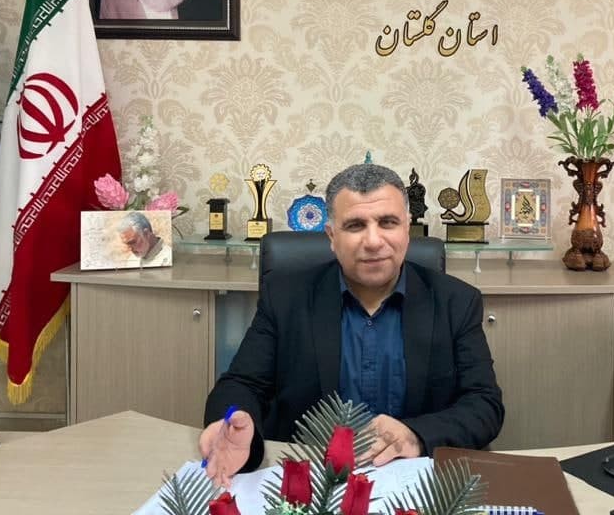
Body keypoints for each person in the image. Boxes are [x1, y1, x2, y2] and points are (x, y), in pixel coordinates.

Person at [199, 163, 504, 485]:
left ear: (407, 228)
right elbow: (242, 385)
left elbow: (483, 404)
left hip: (415, 481)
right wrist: (230, 423)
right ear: (332, 236)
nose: (373, 241)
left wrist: (416, 435)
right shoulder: (286, 297)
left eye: (388, 222)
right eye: (355, 225)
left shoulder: (456, 302)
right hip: (311, 482)